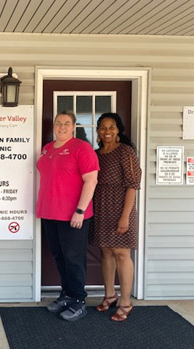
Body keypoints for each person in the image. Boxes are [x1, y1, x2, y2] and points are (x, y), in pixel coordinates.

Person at [36, 111, 99, 322]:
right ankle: (66, 294)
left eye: (66, 123)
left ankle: (79, 300)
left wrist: (80, 211)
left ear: (73, 127)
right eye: (58, 123)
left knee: (74, 259)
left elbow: (91, 181)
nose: (61, 127)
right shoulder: (47, 149)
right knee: (59, 256)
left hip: (73, 215)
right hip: (50, 212)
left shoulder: (82, 148)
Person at [89, 112, 141, 322]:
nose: (107, 131)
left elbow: (132, 185)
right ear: (98, 132)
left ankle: (126, 302)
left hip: (121, 208)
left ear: (118, 130)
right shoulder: (95, 153)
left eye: (111, 127)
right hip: (100, 207)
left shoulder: (125, 152)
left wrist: (125, 217)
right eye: (103, 127)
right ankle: (110, 295)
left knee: (121, 253)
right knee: (105, 253)